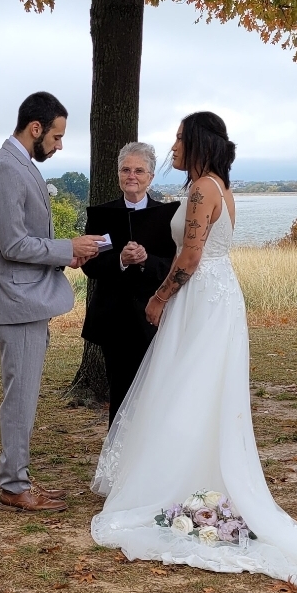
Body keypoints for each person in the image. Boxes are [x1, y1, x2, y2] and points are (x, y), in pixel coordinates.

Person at [90, 112, 297, 589]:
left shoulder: (202, 188)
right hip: (218, 293)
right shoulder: (220, 186)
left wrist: (159, 298)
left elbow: (191, 255)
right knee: (200, 388)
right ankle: (191, 475)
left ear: (197, 142)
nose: (173, 147)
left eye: (180, 139)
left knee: (187, 386)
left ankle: (178, 480)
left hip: (202, 296)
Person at [0, 91, 104, 513]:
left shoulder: (20, 165)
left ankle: (18, 480)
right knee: (20, 399)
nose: (59, 145)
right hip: (16, 302)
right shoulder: (6, 170)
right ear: (35, 129)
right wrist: (66, 247)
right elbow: (13, 244)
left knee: (25, 396)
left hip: (28, 300)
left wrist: (68, 254)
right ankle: (14, 486)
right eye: (56, 136)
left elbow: (26, 241)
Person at [81, 142, 176, 425]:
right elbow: (90, 266)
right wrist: (120, 260)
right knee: (120, 395)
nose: (131, 176)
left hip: (154, 317)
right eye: (125, 170)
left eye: (139, 170)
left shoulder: (168, 216)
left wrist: (147, 260)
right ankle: (118, 450)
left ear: (151, 177)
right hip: (115, 320)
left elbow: (174, 266)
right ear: (118, 174)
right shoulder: (101, 215)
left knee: (156, 394)